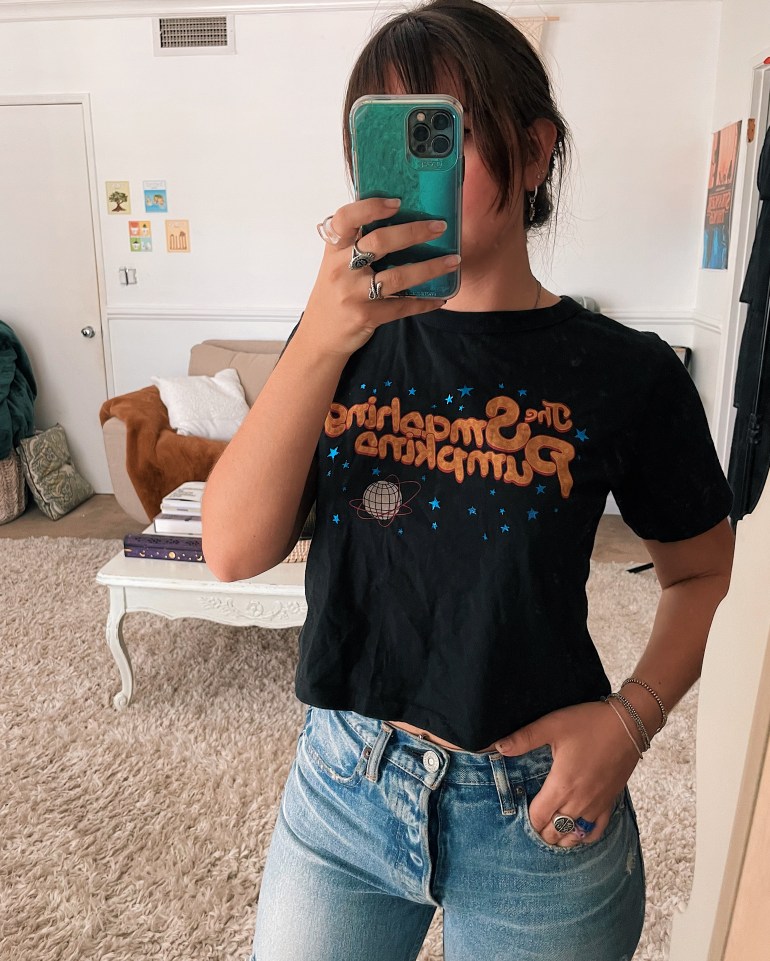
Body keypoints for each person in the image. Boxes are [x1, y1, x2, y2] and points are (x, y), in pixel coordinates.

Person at [202, 1, 735, 958]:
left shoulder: (626, 372)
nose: (416, 177)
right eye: (388, 141)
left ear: (534, 152)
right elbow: (232, 550)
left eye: (440, 135)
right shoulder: (338, 342)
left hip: (536, 813)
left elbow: (702, 572)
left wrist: (632, 720)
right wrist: (321, 335)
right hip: (343, 789)